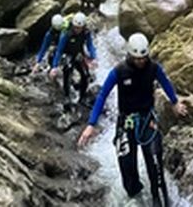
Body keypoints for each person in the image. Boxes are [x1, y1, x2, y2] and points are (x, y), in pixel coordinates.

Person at [78, 33, 187, 207]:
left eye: (143, 58)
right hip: (126, 123)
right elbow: (102, 96)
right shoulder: (119, 71)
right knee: (127, 170)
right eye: (137, 58)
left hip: (147, 120)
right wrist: (91, 124)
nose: (141, 62)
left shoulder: (153, 68)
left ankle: (160, 200)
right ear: (130, 55)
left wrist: (174, 102)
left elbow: (165, 82)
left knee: (155, 166)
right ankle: (136, 198)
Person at [51, 12, 97, 111]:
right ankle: (67, 96)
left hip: (78, 54)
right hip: (67, 54)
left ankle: (82, 97)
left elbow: (90, 45)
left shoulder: (86, 32)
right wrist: (54, 66)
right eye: (76, 27)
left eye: (79, 28)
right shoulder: (66, 34)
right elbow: (59, 50)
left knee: (85, 75)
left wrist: (93, 58)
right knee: (67, 72)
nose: (77, 30)